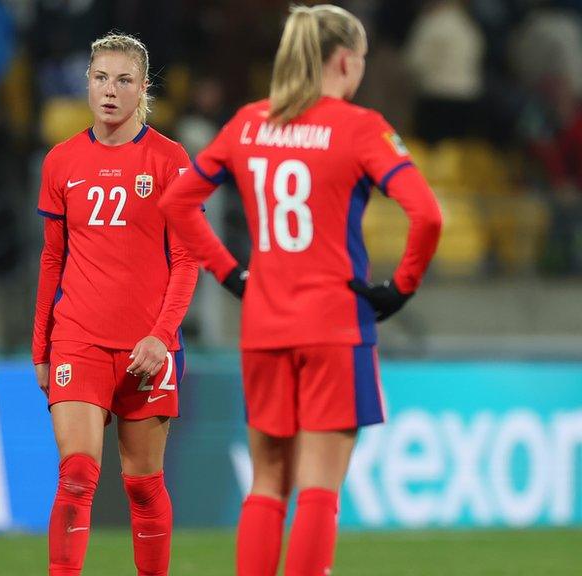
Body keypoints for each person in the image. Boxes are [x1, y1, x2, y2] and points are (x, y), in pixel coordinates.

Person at [159, 6, 443, 576]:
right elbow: (428, 215)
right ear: (344, 60)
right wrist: (402, 287)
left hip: (264, 324)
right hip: (335, 325)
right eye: (359, 60)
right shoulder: (360, 126)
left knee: (268, 482)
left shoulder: (247, 123)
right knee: (319, 487)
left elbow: (175, 203)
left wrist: (231, 273)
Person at [32, 33, 199, 576]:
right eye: (101, 78)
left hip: (148, 349)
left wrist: (161, 337)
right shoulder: (61, 161)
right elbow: (52, 261)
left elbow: (186, 260)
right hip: (77, 337)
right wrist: (42, 346)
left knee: (144, 487)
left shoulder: (170, 159)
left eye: (123, 80)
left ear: (143, 89)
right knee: (77, 473)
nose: (110, 90)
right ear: (87, 83)